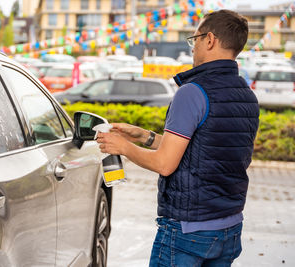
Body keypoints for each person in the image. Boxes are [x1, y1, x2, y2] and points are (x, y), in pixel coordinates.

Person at [96, 9, 259, 267]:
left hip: (188, 232)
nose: (193, 47)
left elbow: (165, 164)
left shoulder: (192, 92)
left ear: (210, 40)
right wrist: (144, 136)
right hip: (229, 228)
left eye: (194, 39)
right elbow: (200, 149)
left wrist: (124, 147)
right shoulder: (247, 96)